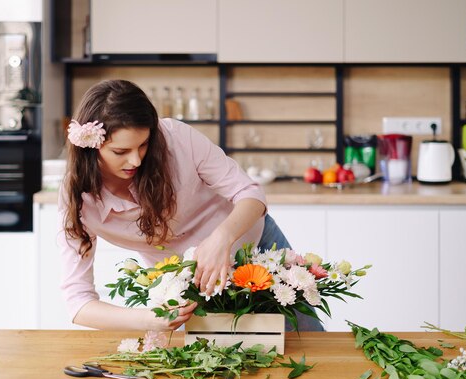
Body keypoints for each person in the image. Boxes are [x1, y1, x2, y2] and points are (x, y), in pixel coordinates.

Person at [58, 79, 323, 332]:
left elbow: (249, 192)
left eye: (143, 145)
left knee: (307, 342)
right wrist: (150, 319)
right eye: (120, 152)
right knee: (220, 366)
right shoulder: (78, 200)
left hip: (254, 246)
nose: (136, 161)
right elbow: (78, 301)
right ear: (90, 148)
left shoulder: (176, 138)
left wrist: (222, 238)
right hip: (190, 285)